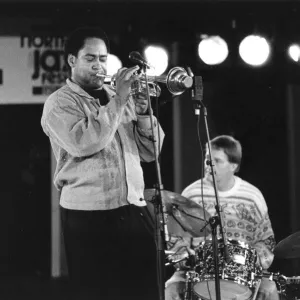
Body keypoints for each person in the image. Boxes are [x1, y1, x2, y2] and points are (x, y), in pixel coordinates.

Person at [41, 26, 165, 300]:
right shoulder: (59, 103)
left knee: (144, 291)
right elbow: (85, 143)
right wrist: (120, 99)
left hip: (132, 208)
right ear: (72, 60)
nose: (99, 65)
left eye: (103, 58)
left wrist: (144, 112)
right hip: (89, 215)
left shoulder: (117, 97)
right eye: (90, 58)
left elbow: (149, 153)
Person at [165, 135, 279, 300]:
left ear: (233, 165)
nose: (209, 165)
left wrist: (254, 262)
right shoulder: (191, 195)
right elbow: (176, 241)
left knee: (269, 290)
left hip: (243, 273)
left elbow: (266, 241)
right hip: (198, 271)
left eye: (217, 161)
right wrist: (185, 258)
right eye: (207, 159)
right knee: (171, 289)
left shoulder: (253, 197)